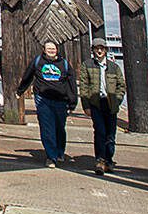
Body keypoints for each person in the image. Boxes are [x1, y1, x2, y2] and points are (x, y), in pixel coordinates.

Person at [16, 40, 77, 167]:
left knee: (59, 128)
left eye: (53, 48)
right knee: (46, 128)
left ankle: (60, 151)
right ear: (44, 49)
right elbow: (28, 75)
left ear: (57, 49)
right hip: (43, 99)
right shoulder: (38, 61)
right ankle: (51, 156)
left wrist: (72, 102)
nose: (51, 50)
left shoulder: (64, 64)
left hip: (60, 100)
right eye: (48, 48)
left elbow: (71, 84)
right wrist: (20, 90)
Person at [79, 37, 126, 174]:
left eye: (102, 48)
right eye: (96, 48)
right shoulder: (87, 65)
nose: (99, 51)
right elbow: (84, 86)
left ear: (105, 50)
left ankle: (109, 160)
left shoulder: (114, 67)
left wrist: (117, 100)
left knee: (111, 134)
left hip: (111, 103)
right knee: (100, 132)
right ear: (93, 50)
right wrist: (86, 105)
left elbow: (121, 86)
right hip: (96, 103)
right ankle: (100, 160)